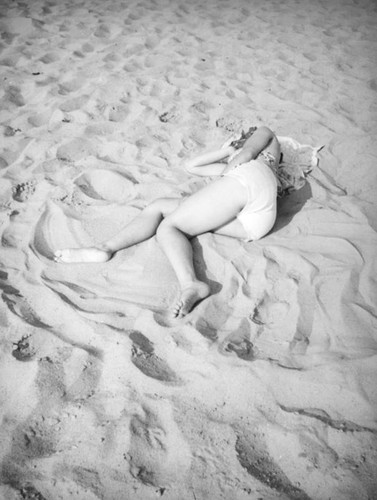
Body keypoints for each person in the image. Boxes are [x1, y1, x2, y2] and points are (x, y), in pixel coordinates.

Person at [54, 125, 281, 319]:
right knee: (160, 205)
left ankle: (191, 284)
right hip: (254, 221)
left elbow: (249, 150)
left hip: (246, 183)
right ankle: (104, 249)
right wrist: (227, 151)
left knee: (170, 227)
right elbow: (191, 167)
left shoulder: (263, 133)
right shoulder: (237, 164)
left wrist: (234, 159)